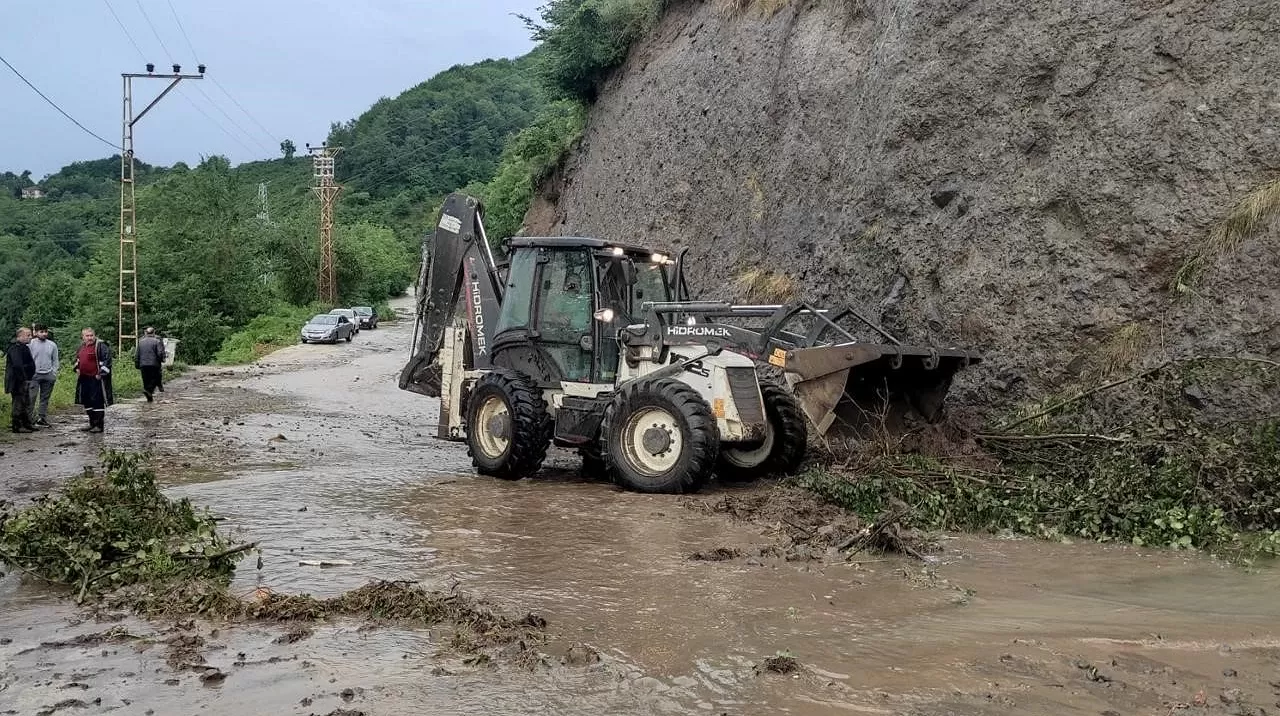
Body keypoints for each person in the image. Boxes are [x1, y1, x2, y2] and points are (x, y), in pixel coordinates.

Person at [73, 328, 113, 433]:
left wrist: (101, 374)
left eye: (91, 335)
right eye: (87, 336)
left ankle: (99, 425)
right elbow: (77, 360)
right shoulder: (81, 347)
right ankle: (92, 423)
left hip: (96, 379)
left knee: (97, 401)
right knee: (87, 401)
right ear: (83, 337)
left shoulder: (100, 346)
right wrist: (77, 368)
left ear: (94, 335)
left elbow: (107, 361)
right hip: (84, 378)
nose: (90, 338)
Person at [5, 327, 37, 433]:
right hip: (17, 380)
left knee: (25, 402)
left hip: (24, 379)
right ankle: (17, 426)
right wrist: (23, 378)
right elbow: (17, 365)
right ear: (20, 336)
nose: (30, 337)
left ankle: (26, 424)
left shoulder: (23, 347)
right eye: (28, 335)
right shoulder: (15, 348)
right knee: (18, 403)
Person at [28, 323, 59, 426]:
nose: (44, 334)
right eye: (41, 332)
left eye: (45, 331)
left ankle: (42, 418)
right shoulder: (31, 343)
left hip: (48, 374)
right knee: (31, 397)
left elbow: (55, 360)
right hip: (34, 375)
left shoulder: (52, 345)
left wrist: (53, 373)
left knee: (45, 398)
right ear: (36, 332)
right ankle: (29, 419)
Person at [135, 326, 166, 402]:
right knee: (154, 379)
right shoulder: (157, 341)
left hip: (143, 364)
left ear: (146, 333)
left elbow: (137, 354)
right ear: (154, 332)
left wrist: (137, 363)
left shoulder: (141, 342)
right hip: (154, 364)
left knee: (146, 380)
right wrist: (161, 360)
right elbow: (159, 353)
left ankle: (149, 396)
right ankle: (149, 392)